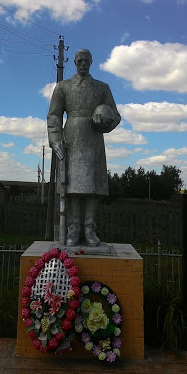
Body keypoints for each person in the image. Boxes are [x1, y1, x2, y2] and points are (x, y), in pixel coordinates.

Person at [47, 49, 121, 246]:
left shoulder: (101, 87)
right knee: (71, 186)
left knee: (91, 188)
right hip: (71, 137)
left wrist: (105, 115)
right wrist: (55, 139)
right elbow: (54, 115)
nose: (83, 63)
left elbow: (115, 114)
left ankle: (89, 230)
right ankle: (73, 230)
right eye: (80, 60)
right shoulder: (63, 87)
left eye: (86, 60)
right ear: (74, 62)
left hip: (93, 138)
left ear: (91, 62)